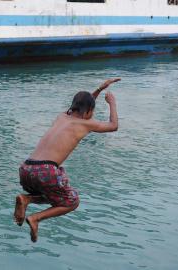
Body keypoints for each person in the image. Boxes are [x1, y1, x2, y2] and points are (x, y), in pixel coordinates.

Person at [14, 78, 121, 242]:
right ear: (88, 112)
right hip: (46, 171)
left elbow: (83, 105)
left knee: (52, 194)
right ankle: (36, 218)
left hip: (26, 169)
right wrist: (111, 102)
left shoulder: (62, 116)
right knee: (71, 202)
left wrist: (99, 89)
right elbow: (113, 126)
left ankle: (26, 199)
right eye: (92, 111)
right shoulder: (87, 124)